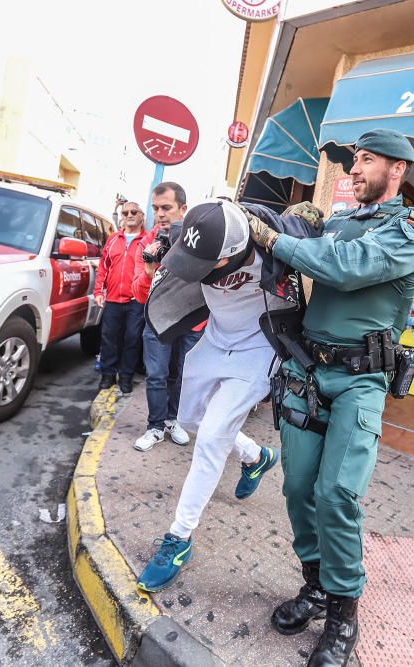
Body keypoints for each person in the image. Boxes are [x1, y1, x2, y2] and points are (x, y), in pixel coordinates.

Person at [247, 129, 414, 666]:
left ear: (396, 170)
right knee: (298, 486)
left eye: (366, 160)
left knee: (337, 495)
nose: (354, 168)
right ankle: (316, 586)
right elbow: (317, 247)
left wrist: (276, 238)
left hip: (360, 381)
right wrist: (294, 224)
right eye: (353, 160)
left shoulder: (411, 229)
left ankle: (344, 614)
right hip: (308, 371)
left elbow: (346, 268)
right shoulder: (340, 221)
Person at [134, 199, 322, 592]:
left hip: (258, 350)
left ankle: (178, 538)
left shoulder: (273, 243)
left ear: (234, 253)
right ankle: (255, 456)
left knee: (210, 440)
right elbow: (171, 245)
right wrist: (157, 259)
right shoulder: (196, 234)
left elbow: (314, 240)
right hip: (215, 340)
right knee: (188, 421)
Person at [130, 182, 200, 451]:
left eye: (166, 207)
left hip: (192, 320)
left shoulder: (198, 244)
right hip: (158, 320)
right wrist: (149, 271)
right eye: (156, 208)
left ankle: (174, 420)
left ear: (183, 208)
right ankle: (155, 426)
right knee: (156, 375)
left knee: (182, 375)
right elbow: (138, 294)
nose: (160, 214)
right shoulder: (147, 244)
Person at [93, 199, 147, 393]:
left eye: (134, 211)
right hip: (113, 298)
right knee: (109, 338)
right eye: (125, 213)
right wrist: (98, 291)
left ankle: (126, 377)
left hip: (136, 301)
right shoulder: (114, 239)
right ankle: (107, 375)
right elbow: (103, 267)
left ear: (142, 216)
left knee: (132, 339)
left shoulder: (148, 241)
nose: (130, 215)